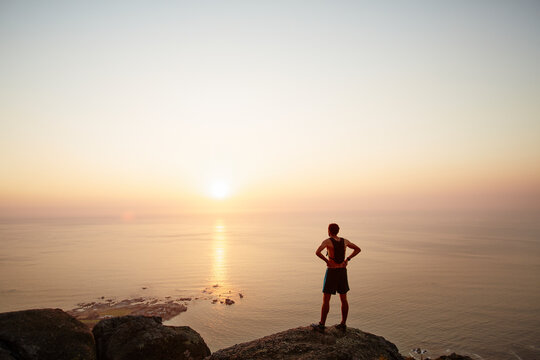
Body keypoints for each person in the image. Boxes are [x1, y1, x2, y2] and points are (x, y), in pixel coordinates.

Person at [311, 223, 361, 332]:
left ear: (329, 231)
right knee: (344, 299)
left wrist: (326, 261)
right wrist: (347, 260)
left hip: (332, 272)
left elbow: (317, 252)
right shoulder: (345, 241)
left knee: (326, 299)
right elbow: (358, 249)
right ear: (338, 231)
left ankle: (321, 325)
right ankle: (343, 324)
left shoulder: (327, 241)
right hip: (342, 271)